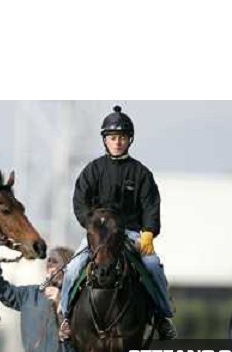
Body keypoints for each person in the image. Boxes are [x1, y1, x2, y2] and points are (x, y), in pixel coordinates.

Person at [58, 105, 176, 340]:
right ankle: (66, 318)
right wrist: (92, 228)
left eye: (122, 137)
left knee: (152, 266)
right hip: (99, 236)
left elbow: (151, 205)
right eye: (113, 137)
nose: (117, 142)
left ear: (129, 140)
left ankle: (163, 317)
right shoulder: (93, 170)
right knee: (72, 269)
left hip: (132, 234)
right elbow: (80, 202)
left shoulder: (141, 173)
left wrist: (148, 233)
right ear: (105, 140)